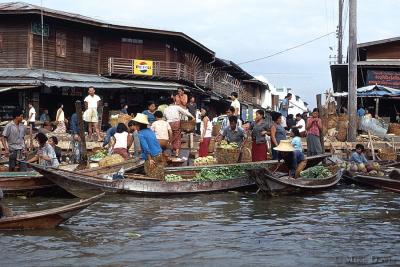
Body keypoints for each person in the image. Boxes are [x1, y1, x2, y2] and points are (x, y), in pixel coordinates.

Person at [132, 113, 164, 178]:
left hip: (152, 156)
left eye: (135, 124)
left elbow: (146, 147)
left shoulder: (141, 134)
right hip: (159, 153)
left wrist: (150, 159)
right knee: (160, 173)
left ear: (138, 125)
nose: (135, 127)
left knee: (152, 175)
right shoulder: (150, 130)